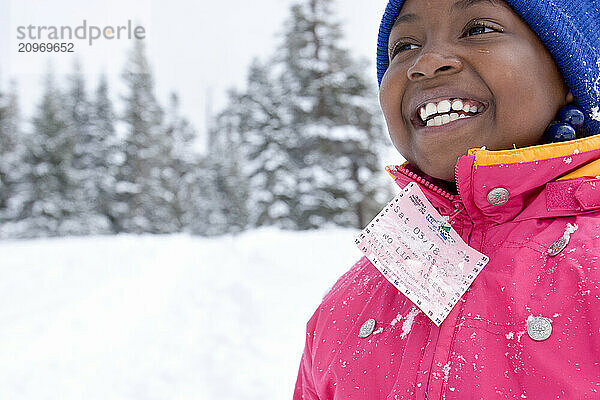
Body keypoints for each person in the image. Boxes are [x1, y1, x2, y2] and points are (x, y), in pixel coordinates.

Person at [293, 0, 600, 398]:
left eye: (479, 29)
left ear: (569, 73)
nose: (426, 62)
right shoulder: (346, 308)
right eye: (404, 47)